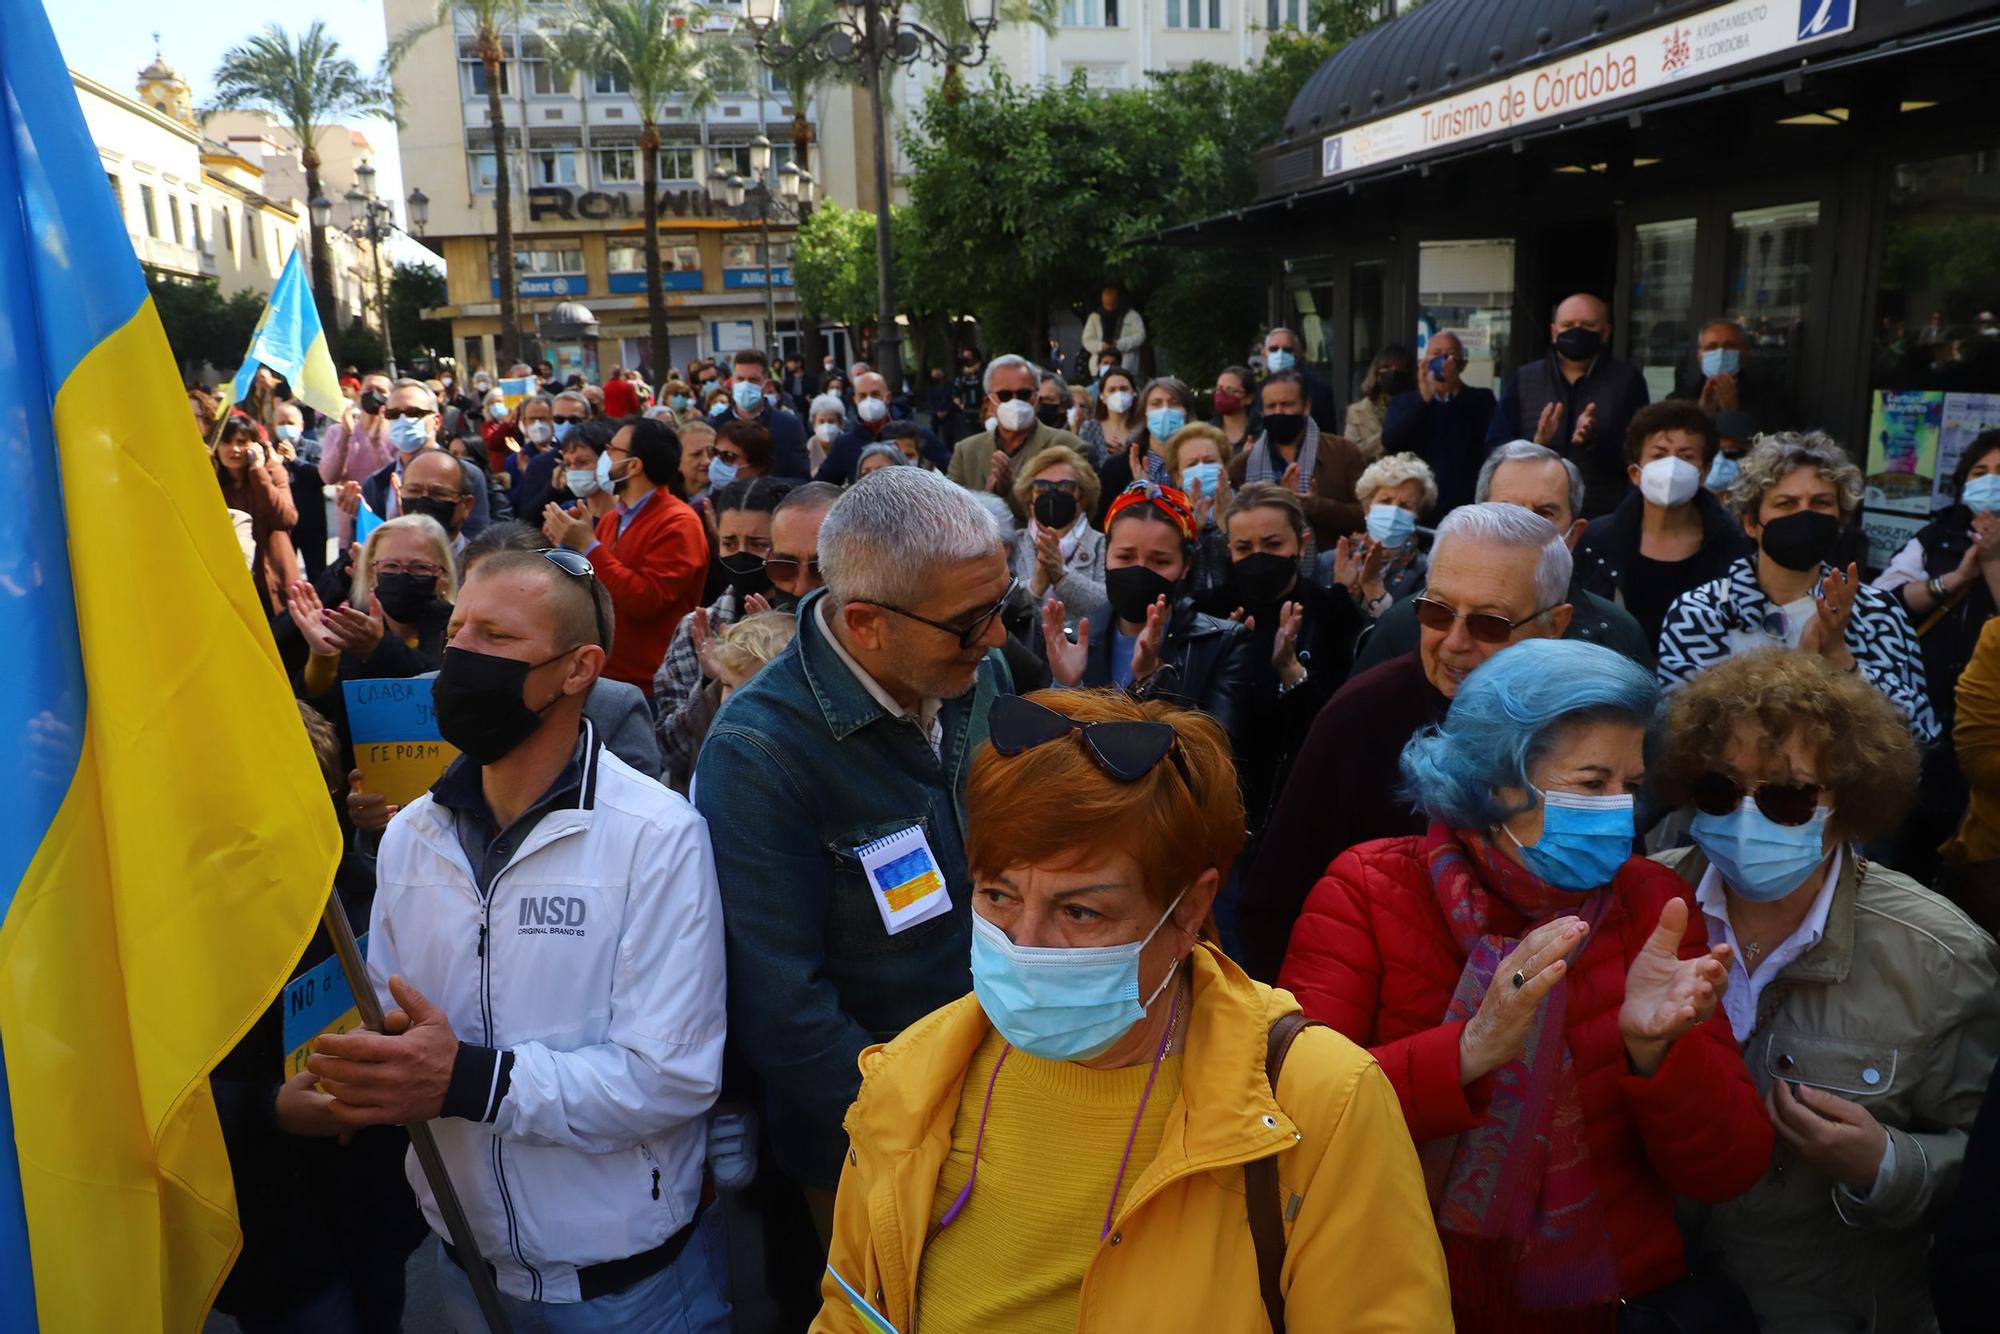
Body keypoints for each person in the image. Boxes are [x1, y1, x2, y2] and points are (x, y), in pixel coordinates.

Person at [810, 688, 1453, 1333]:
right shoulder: (912, 1075)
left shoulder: (1321, 1104)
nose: (1025, 943)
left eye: (1080, 911)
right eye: (999, 894)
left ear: (1190, 910)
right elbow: (849, 1306)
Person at [1278, 638, 1771, 1331]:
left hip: (1608, 1302)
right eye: (1592, 782)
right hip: (1406, 1296)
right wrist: (1468, 1053)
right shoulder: (1367, 891)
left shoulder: (1649, 901)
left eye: (1629, 786)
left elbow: (1730, 1169)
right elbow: (1294, 1116)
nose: (1620, 812)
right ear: (1498, 781)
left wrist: (1656, 1053)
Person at [311, 549, 730, 1328]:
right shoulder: (413, 838)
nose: (462, 655)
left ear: (578, 671)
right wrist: (356, 1079)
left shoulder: (656, 836)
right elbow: (402, 1029)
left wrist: (471, 1081)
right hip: (461, 1268)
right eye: (459, 629)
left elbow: (672, 1077)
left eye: (496, 638)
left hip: (625, 1291)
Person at [692, 468, 1014, 1232]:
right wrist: (925, 1131)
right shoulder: (758, 755)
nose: (997, 637)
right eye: (972, 621)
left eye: (1000, 607)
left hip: (1014, 1099)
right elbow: (784, 1010)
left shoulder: (979, 670)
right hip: (876, 1151)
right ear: (867, 623)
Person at [1652, 649, 2000, 1334]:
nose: (1748, 818)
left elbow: (1982, 1167)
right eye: (1722, 790)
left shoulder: (1938, 956)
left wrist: (1887, 1165)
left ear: (1847, 806)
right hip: (1658, 1301)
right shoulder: (1641, 905)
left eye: (1785, 797)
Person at [1242, 502, 1575, 981]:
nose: (1454, 641)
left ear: (1555, 625)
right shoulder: (1361, 716)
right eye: (1437, 612)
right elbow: (1272, 906)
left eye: (1488, 624)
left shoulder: (1586, 725)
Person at [210, 703, 427, 1334]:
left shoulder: (364, 893)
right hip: (274, 1227)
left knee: (380, 1308)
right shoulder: (186, 940)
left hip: (373, 1200)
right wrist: (268, 1107)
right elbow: (157, 1088)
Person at [1657, 431, 1939, 744]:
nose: (1804, 516)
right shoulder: (1701, 611)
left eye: (1821, 503)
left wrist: (1840, 660)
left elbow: (1920, 734)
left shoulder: (1876, 611)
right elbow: (1681, 735)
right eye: (1786, 503)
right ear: (1751, 523)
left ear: (1840, 518)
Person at [1351, 441, 1654, 674]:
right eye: (1507, 511)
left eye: (1545, 513)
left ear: (1574, 534)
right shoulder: (1407, 625)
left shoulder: (1617, 635)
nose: (1526, 527)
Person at [1196, 483, 1366, 830]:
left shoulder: (1333, 612)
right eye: (1244, 547)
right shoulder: (1208, 611)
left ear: (1301, 544)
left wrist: (1291, 672)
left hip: (1299, 802)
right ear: (1230, 551)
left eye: (1273, 544)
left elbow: (1341, 728)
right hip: (1218, 800)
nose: (1258, 556)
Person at [1037, 482, 1253, 750]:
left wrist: (1154, 679)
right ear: (1106, 557)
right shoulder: (1070, 640)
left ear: (1185, 567)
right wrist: (1065, 687)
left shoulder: (1222, 644)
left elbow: (1212, 752)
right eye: (1125, 557)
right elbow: (1046, 755)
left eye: (1160, 561)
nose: (1139, 571)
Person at [541, 416, 708, 699]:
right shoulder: (611, 520)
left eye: (612, 450)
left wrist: (588, 546)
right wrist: (568, 548)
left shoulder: (679, 523)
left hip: (651, 685)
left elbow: (645, 600)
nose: (605, 457)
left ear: (633, 465)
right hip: (605, 675)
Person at [650, 476, 798, 790]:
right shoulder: (696, 629)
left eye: (758, 545)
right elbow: (671, 752)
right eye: (730, 543)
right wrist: (712, 683)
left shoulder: (803, 627)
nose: (741, 555)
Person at [1573, 400, 1753, 646]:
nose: (1672, 466)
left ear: (1705, 471)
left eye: (1686, 456)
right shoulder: (1597, 540)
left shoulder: (1734, 545)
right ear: (1635, 473)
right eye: (1658, 455)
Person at [1488, 293, 1652, 518]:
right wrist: (1536, 444)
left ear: (1605, 332)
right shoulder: (1525, 378)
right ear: (1554, 332)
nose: (1577, 331)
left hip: (1602, 515)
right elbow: (1495, 447)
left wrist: (1593, 440)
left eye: (1588, 325)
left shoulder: (1627, 381)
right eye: (1568, 325)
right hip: (1533, 513)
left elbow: (1639, 454)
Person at [289, 512, 457, 698]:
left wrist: (380, 647)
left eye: (420, 567)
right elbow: (325, 714)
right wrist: (323, 657)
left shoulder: (458, 630)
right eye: (391, 566)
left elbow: (440, 691)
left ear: (444, 577)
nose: (403, 575)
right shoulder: (355, 629)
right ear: (371, 574)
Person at [1228, 371, 1365, 561]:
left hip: (1332, 568)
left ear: (1306, 406)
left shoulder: (1343, 453)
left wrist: (1317, 506)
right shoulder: (1242, 465)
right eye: (1271, 406)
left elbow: (1366, 516)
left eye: (1286, 404)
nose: (1278, 412)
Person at [945, 355, 1089, 520]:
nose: (1015, 402)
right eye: (1005, 395)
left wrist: (1009, 492)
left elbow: (1074, 512)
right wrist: (990, 497)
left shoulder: (1069, 446)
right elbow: (953, 517)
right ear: (989, 402)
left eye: (1024, 394)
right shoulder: (965, 451)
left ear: (1036, 397)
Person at [355, 379, 494, 542]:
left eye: (414, 413)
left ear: (437, 421)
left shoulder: (468, 475)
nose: (403, 421)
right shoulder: (376, 483)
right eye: (393, 415)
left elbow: (477, 540)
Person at [1382, 331, 1497, 514]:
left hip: (1465, 501)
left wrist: (1451, 393)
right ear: (1424, 361)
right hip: (1418, 503)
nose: (1444, 359)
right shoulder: (1403, 402)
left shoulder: (1482, 399)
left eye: (1451, 354)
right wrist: (1424, 402)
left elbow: (1485, 441)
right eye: (1437, 354)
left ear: (1463, 363)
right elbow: (1391, 441)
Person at [1004, 445, 1105, 618]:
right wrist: (1034, 587)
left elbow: (1108, 607)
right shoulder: (1012, 544)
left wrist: (1061, 575)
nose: (1053, 494)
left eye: (1065, 486)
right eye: (1042, 486)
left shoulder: (1103, 544)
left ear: (1083, 496)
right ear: (1030, 496)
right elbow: (998, 607)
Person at [213, 413, 299, 615]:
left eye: (242, 442)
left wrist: (258, 473)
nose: (234, 449)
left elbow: (286, 518)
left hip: (275, 580)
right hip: (235, 583)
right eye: (227, 442)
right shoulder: (212, 482)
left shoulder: (271, 472)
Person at [816, 369, 949, 483]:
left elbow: (950, 471)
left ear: (887, 397)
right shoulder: (845, 444)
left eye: (875, 394)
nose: (869, 401)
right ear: (855, 401)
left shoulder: (918, 434)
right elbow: (822, 485)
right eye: (863, 396)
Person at [1340, 451, 1435, 610]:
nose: (1394, 511)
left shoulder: (1426, 573)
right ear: (1367, 508)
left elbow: (1406, 631)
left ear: (1417, 516)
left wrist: (1374, 590)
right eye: (1385, 501)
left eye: (1405, 505)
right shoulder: (1329, 562)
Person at [1670, 318, 1794, 430]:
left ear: (1745, 353)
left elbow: (1778, 442)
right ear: (1699, 355)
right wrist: (1700, 414)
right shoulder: (1679, 399)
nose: (1720, 353)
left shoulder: (1771, 398)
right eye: (1712, 347)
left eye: (1729, 346)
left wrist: (1733, 414)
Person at [1093, 376, 1198, 506]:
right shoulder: (1117, 469)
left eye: (1174, 403)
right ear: (1144, 413)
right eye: (1156, 403)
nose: (1165, 410)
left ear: (1187, 412)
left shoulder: (1202, 464)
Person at [320, 370, 395, 546]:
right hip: (350, 533)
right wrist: (345, 436)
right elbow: (328, 477)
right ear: (359, 394)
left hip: (387, 526)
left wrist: (377, 443)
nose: (374, 394)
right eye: (369, 388)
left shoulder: (396, 434)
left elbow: (393, 480)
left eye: (381, 390)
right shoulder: (337, 431)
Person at [717, 349, 812, 479]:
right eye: (740, 379)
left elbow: (801, 478)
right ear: (732, 381)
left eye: (753, 380)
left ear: (766, 384)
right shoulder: (716, 424)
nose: (745, 385)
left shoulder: (789, 426)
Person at [271, 399, 330, 580]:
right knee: (285, 575)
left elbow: (321, 477)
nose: (286, 427)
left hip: (312, 522)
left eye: (290, 423)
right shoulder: (269, 452)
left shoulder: (314, 448)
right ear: (273, 426)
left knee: (317, 574)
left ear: (301, 425)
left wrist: (295, 460)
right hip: (282, 524)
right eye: (281, 424)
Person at [1258, 326, 1339, 433]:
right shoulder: (1256, 390)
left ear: (1297, 354)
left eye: (1287, 350)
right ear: (1265, 354)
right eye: (1274, 349)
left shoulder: (1320, 391)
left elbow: (1328, 435)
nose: (1280, 354)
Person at [1345, 344, 1413, 464]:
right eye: (1387, 367)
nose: (1393, 372)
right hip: (1371, 479)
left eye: (1399, 367)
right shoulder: (1357, 411)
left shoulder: (1417, 407)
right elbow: (1350, 454)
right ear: (1377, 374)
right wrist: (1388, 436)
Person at [1074, 365, 1142, 475]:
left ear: (1134, 393)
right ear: (1102, 396)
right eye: (1112, 390)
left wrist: (1125, 458)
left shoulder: (1143, 429)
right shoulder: (1089, 428)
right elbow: (1081, 466)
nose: (1118, 394)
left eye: (1124, 389)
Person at [1079, 280, 1146, 374]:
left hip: (1126, 365)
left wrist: (1120, 344)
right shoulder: (1094, 317)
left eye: (1112, 304)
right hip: (1100, 365)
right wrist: (1101, 346)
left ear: (1118, 300)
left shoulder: (1132, 316)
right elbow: (1087, 340)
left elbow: (1140, 336)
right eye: (1107, 304)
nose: (1110, 308)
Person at [709, 419, 773, 489]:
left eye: (728, 456)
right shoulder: (705, 496)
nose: (716, 461)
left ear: (757, 467)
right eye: (714, 452)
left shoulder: (774, 498)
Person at [1209, 364, 1256, 456]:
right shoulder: (1206, 433)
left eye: (1232, 391)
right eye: (1219, 390)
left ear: (1248, 398)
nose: (1222, 395)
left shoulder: (1262, 432)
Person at [806, 392, 845, 474]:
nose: (826, 426)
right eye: (821, 421)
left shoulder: (848, 444)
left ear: (840, 424)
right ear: (814, 425)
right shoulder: (808, 448)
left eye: (831, 421)